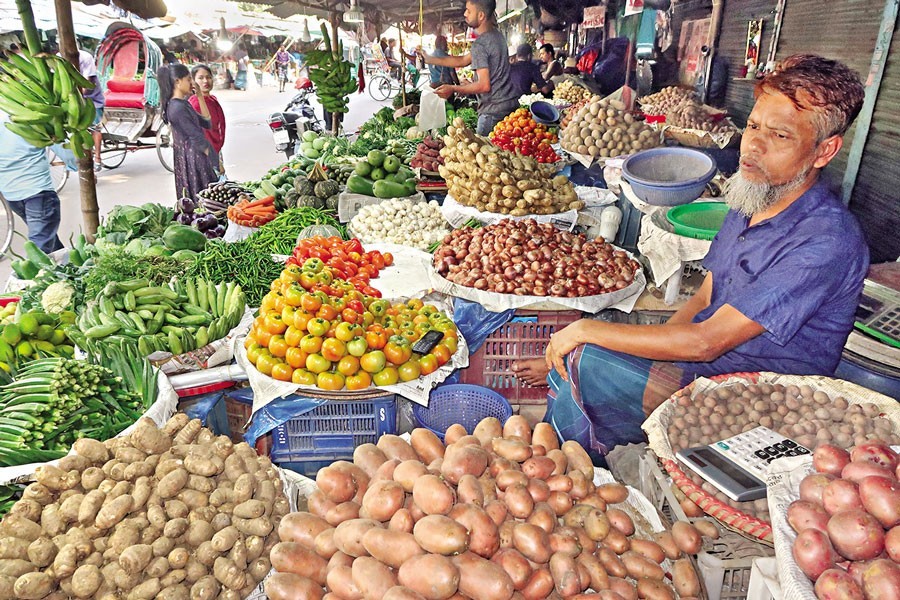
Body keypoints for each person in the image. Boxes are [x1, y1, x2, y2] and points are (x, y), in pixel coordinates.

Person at [512, 54, 869, 462]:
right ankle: (570, 461)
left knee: (590, 356)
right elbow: (702, 300)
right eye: (753, 126)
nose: (753, 144)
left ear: (825, 151)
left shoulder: (825, 241)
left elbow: (706, 342)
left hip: (760, 403)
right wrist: (631, 349)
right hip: (709, 373)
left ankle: (566, 462)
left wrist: (584, 333)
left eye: (781, 136)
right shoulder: (752, 197)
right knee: (589, 355)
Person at [418, 0, 519, 135]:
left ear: (481, 15)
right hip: (509, 106)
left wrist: (453, 88)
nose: (465, 14)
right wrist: (430, 59)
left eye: (469, 11)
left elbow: (484, 86)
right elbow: (463, 60)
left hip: (492, 112)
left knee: (484, 152)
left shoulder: (480, 44)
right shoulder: (497, 36)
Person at [0, 108, 63, 254]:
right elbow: (59, 144)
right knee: (40, 249)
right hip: (38, 192)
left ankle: (68, 270)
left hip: (11, 194)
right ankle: (33, 276)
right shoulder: (30, 111)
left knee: (47, 240)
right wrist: (78, 163)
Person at [157, 64, 218, 201]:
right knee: (204, 203)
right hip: (193, 160)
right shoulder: (177, 108)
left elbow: (207, 122)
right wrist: (216, 164)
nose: (192, 83)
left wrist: (200, 97)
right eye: (188, 79)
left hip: (193, 158)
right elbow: (198, 139)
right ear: (178, 82)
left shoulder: (183, 104)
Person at [188, 64, 226, 177]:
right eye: (200, 78)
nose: (206, 81)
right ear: (193, 81)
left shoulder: (212, 99)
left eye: (208, 77)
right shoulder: (195, 104)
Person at [78, 46, 105, 171]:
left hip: (92, 98)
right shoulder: (59, 57)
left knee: (95, 127)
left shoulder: (85, 57)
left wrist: (78, 96)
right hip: (75, 98)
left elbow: (88, 82)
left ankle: (98, 158)